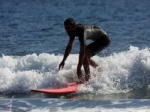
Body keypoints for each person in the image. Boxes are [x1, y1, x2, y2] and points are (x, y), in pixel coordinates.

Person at [59, 18, 111, 83]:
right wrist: (63, 60)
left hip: (104, 39)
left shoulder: (80, 30)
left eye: (69, 28)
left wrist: (78, 69)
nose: (67, 31)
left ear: (74, 26)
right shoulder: (71, 32)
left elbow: (82, 51)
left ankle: (87, 79)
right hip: (99, 40)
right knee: (86, 56)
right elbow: (69, 46)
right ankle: (100, 70)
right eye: (66, 29)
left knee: (85, 53)